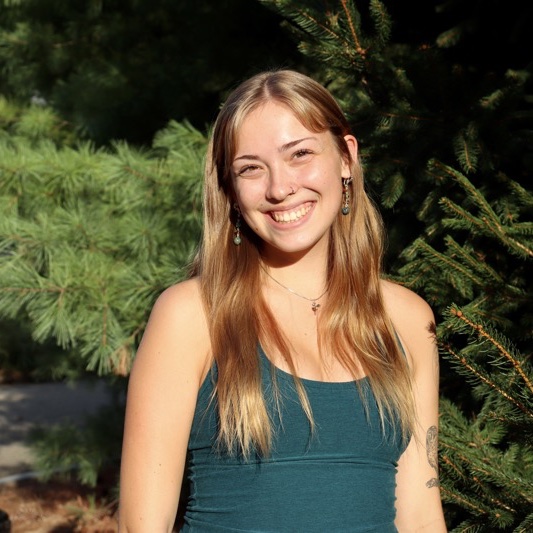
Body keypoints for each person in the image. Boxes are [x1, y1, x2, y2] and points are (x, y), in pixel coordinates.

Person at [118, 69, 447, 532]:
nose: (279, 187)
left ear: (346, 158)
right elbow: (141, 526)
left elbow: (420, 516)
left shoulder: (407, 319)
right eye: (251, 168)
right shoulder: (192, 316)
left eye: (300, 155)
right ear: (230, 189)